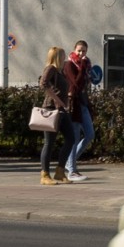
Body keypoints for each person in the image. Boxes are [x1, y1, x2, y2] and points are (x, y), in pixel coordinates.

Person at [39, 46, 75, 185]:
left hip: (61, 110)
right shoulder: (51, 69)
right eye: (63, 55)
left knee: (71, 138)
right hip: (51, 109)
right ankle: (45, 174)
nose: (65, 57)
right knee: (49, 142)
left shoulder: (60, 71)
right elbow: (43, 84)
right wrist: (57, 99)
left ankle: (60, 171)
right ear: (57, 56)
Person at [64, 39, 93, 182]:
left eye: (84, 51)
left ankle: (70, 162)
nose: (81, 53)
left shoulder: (86, 65)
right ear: (74, 50)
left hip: (82, 103)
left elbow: (85, 83)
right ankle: (72, 171)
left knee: (90, 134)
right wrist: (82, 67)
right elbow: (75, 84)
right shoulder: (69, 64)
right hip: (73, 104)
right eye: (79, 50)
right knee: (74, 138)